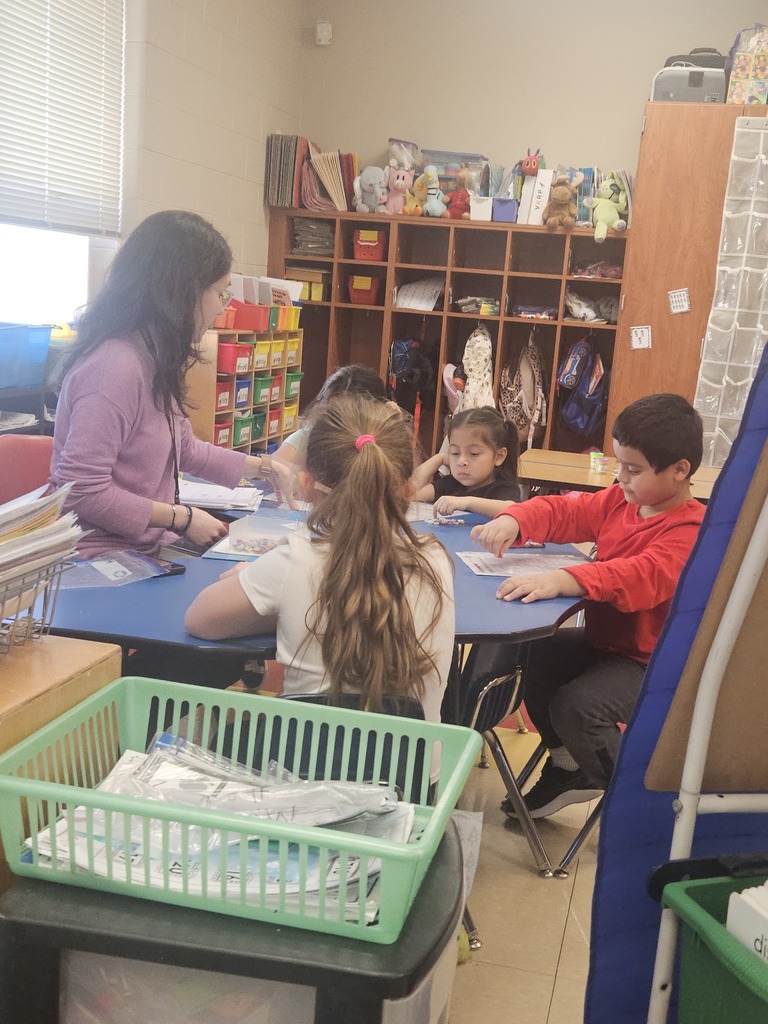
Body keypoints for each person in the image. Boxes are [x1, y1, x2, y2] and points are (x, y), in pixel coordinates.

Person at [471, 393, 706, 818]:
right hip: (610, 646)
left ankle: (633, 811)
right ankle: (569, 766)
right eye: (619, 465)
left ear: (679, 471)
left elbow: (640, 577)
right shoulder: (623, 500)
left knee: (578, 706)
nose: (620, 478)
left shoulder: (690, 529)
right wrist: (517, 518)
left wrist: (566, 579)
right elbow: (566, 511)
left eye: (632, 470)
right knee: (534, 651)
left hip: (656, 662)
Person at [185, 396, 455, 725]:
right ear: (409, 490)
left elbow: (200, 621)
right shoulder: (436, 558)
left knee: (217, 733)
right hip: (415, 774)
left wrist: (263, 589)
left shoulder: (294, 560)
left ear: (306, 484)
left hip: (302, 772)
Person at [50, 209, 296, 560]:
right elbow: (81, 491)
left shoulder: (150, 357)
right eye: (219, 293)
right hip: (95, 557)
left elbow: (185, 448)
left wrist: (266, 467)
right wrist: (181, 518)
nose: (220, 308)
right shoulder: (113, 369)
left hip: (142, 547)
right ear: (182, 293)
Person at [410, 407, 523, 517]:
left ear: (499, 456)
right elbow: (409, 494)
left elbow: (514, 509)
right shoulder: (450, 484)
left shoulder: (503, 488)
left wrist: (467, 502)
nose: (461, 461)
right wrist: (439, 458)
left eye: (474, 453)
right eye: (455, 453)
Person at [274, 363, 389, 467]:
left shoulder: (386, 442)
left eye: (351, 416)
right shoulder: (310, 435)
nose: (339, 425)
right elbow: (276, 467)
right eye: (333, 414)